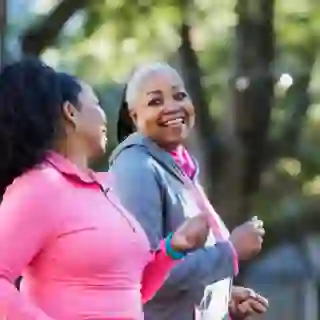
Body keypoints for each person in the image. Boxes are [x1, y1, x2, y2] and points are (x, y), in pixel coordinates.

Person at [0, 57, 210, 320]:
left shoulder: (105, 189)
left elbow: (129, 289)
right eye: (96, 104)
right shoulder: (40, 187)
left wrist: (173, 248)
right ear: (71, 112)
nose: (104, 116)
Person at [109, 62, 269, 320]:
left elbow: (181, 275)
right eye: (155, 101)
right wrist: (230, 252)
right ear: (134, 116)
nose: (172, 107)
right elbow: (144, 274)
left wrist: (222, 302)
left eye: (179, 95)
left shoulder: (177, 166)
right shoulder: (136, 167)